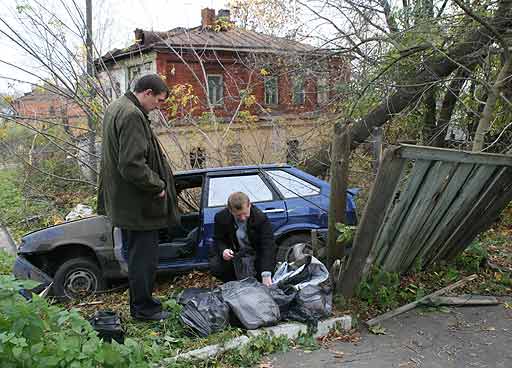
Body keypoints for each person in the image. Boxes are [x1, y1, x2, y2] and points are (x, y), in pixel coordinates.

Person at [97, 73, 179, 321]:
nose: (159, 106)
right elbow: (131, 164)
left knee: (136, 257)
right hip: (138, 204)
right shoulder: (132, 115)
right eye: (159, 100)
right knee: (143, 260)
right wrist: (157, 185)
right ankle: (144, 309)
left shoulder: (117, 106)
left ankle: (141, 304)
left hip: (125, 202)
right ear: (147, 94)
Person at [209, 192, 275, 286]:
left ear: (249, 205)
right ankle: (233, 285)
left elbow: (268, 246)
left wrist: (266, 273)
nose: (243, 218)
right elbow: (218, 239)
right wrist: (224, 250)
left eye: (245, 214)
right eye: (238, 215)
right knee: (216, 266)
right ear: (230, 211)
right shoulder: (221, 217)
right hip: (234, 253)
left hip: (255, 253)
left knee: (264, 270)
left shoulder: (260, 218)